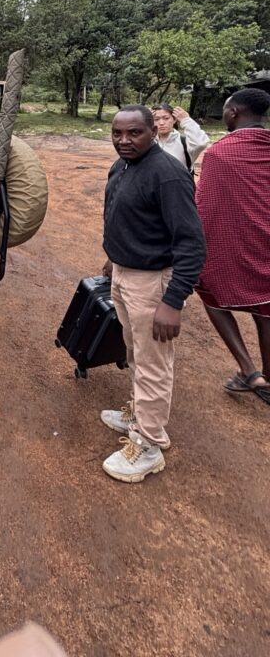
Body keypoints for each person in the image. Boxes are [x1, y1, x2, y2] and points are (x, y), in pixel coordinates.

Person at [100, 105, 205, 482]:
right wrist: (113, 256)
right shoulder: (123, 166)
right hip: (124, 273)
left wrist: (173, 301)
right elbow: (121, 214)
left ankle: (148, 444)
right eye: (117, 133)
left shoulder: (168, 175)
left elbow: (192, 244)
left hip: (152, 282)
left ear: (152, 132)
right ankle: (140, 414)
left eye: (134, 133)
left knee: (153, 363)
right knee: (135, 351)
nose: (124, 141)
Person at [194, 88, 270, 404]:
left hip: (233, 245)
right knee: (266, 309)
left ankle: (249, 370)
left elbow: (204, 207)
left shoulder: (220, 154)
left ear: (234, 112)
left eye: (225, 110)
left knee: (210, 294)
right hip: (267, 246)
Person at [151, 103, 210, 171]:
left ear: (174, 120)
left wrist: (186, 121)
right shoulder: (147, 143)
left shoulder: (184, 143)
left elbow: (201, 143)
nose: (161, 123)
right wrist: (143, 120)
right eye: (156, 119)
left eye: (166, 118)